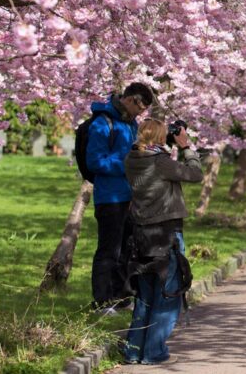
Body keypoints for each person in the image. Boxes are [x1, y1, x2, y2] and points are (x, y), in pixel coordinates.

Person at [123, 119, 203, 365]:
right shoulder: (161, 162)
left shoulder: (131, 159)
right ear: (160, 138)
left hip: (141, 235)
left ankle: (134, 351)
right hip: (167, 234)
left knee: (145, 295)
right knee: (168, 293)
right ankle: (154, 352)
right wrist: (186, 146)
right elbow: (195, 174)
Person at [87, 82, 155, 312]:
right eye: (141, 108)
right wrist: (126, 164)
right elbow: (95, 161)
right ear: (131, 99)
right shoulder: (102, 122)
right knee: (109, 250)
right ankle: (102, 301)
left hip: (129, 195)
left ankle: (121, 296)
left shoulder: (130, 124)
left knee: (128, 248)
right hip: (109, 196)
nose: (141, 114)